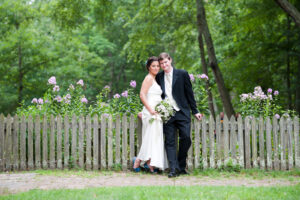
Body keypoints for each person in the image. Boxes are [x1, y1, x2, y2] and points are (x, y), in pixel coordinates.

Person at [156, 52, 202, 178]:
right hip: (167, 114)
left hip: (182, 111)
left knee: (186, 138)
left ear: (170, 60)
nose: (164, 65)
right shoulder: (159, 77)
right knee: (170, 141)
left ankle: (181, 166)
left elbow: (189, 93)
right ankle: (173, 169)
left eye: (165, 62)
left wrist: (195, 110)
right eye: (161, 64)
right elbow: (157, 94)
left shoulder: (182, 74)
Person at [133, 56, 168, 172]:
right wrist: (150, 110)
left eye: (158, 66)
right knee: (151, 137)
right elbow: (142, 95)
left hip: (156, 112)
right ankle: (139, 160)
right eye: (153, 66)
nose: (156, 68)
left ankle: (150, 162)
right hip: (151, 112)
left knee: (154, 138)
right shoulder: (148, 78)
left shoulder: (155, 79)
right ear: (148, 67)